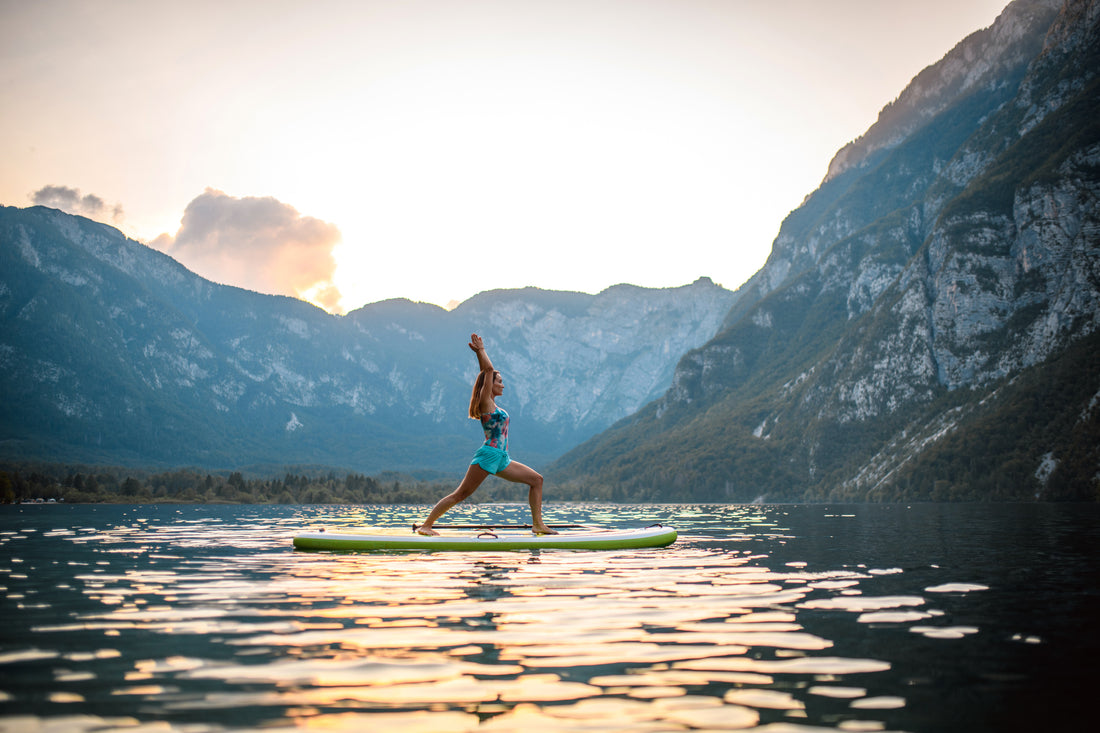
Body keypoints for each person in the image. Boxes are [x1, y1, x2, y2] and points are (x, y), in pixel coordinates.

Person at [416, 334, 558, 536]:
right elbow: (488, 370)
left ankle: (538, 524)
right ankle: (426, 525)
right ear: (489, 385)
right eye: (499, 381)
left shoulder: (495, 405)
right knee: (461, 494)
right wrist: (481, 351)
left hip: (502, 458)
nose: (502, 385)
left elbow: (489, 373)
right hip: (489, 455)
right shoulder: (486, 403)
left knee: (537, 480)